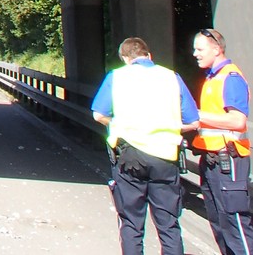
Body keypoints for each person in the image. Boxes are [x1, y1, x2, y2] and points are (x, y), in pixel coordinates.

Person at [91, 37, 200, 254]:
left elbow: (99, 114)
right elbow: (193, 121)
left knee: (131, 223)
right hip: (165, 157)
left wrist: (118, 124)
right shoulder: (171, 77)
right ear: (149, 56)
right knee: (168, 226)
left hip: (130, 157)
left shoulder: (117, 77)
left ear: (125, 58)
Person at [192, 28, 253, 255]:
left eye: (199, 49)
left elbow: (238, 121)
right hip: (212, 160)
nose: (195, 54)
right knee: (219, 223)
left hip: (229, 160)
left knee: (235, 224)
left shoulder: (230, 77)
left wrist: (196, 115)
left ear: (216, 49)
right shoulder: (212, 78)